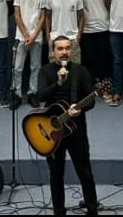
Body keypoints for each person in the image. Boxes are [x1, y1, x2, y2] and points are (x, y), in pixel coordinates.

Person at [37, 36, 98, 217]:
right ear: (53, 52)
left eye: (67, 48)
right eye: (60, 48)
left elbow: (91, 100)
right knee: (56, 174)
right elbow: (41, 96)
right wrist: (58, 83)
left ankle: (92, 208)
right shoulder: (45, 71)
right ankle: (58, 211)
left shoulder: (80, 71)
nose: (64, 52)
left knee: (84, 171)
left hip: (76, 129)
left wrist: (80, 109)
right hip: (53, 131)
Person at [11, 0, 46, 108]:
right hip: (21, 37)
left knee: (35, 67)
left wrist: (33, 36)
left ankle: (33, 93)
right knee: (17, 68)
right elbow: (17, 16)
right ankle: (17, 95)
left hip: (36, 37)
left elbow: (42, 17)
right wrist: (26, 35)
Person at [74, 0, 112, 83]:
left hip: (104, 28)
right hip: (87, 30)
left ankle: (104, 86)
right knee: (89, 61)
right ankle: (89, 86)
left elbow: (110, 5)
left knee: (104, 60)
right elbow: (77, 11)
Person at [45, 0, 84, 64]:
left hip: (72, 38)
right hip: (55, 38)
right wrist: (48, 37)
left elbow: (81, 17)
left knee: (75, 68)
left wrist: (78, 36)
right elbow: (47, 18)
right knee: (55, 69)